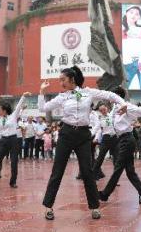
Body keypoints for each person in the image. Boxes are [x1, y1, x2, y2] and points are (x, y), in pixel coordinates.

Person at [38, 66, 127, 221]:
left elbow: (110, 94)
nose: (61, 83)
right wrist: (41, 92)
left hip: (83, 135)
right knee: (57, 171)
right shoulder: (62, 97)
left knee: (87, 172)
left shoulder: (88, 92)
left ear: (72, 79)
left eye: (63, 80)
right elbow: (42, 108)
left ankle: (94, 207)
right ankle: (48, 206)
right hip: (66, 134)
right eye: (60, 80)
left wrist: (122, 103)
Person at [99, 87, 141, 204]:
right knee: (130, 171)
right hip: (121, 140)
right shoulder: (114, 109)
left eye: (112, 96)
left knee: (118, 168)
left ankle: (105, 194)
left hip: (127, 140)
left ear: (117, 96)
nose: (110, 98)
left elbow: (140, 110)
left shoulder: (127, 106)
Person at [91, 104, 117, 180]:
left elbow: (115, 107)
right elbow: (97, 129)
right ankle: (93, 176)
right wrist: (93, 136)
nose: (103, 111)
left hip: (114, 138)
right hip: (105, 139)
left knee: (116, 159)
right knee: (100, 158)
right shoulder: (100, 119)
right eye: (101, 110)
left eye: (104, 109)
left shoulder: (112, 115)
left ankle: (115, 179)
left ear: (107, 108)